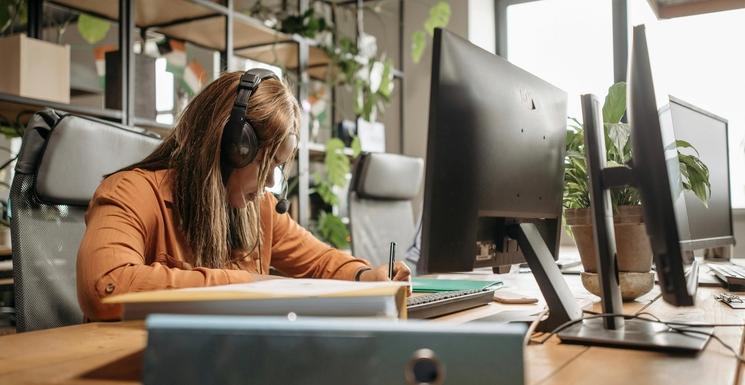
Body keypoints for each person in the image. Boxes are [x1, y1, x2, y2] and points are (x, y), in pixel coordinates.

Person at [76, 69, 411, 321]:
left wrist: (365, 276)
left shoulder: (259, 210)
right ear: (232, 148)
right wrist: (243, 285)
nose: (268, 184)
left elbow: (321, 261)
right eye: (266, 164)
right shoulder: (131, 193)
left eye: (277, 166)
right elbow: (105, 286)